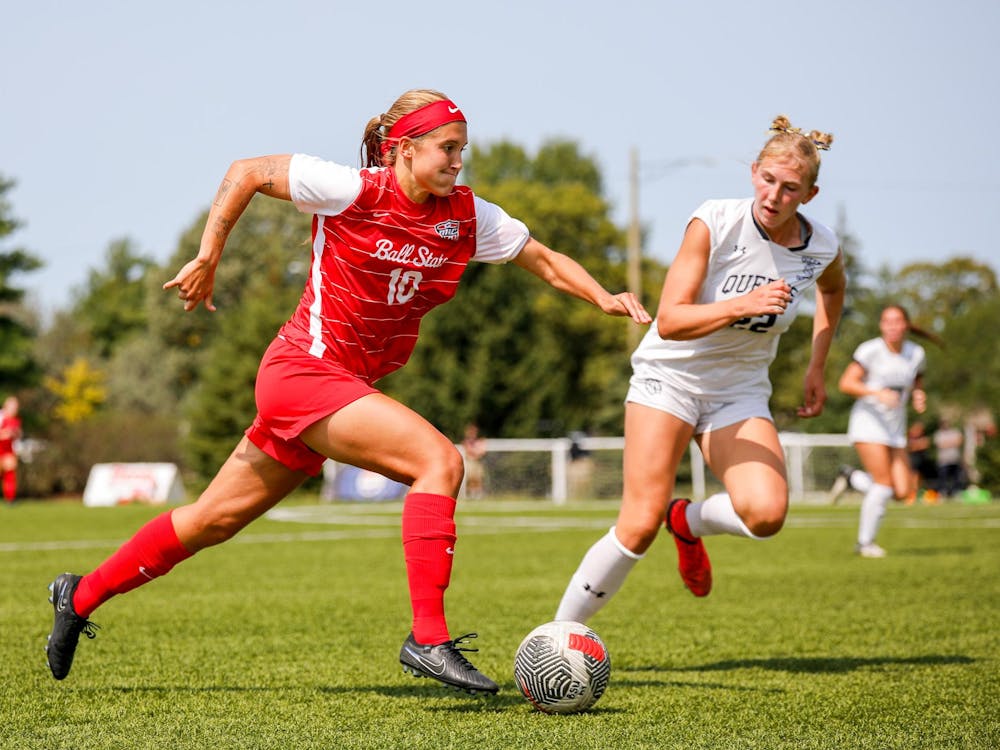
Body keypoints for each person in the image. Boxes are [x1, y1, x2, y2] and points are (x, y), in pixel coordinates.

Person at [44, 89, 651, 693]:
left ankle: (80, 595)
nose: (457, 160)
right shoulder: (354, 189)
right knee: (439, 461)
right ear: (404, 149)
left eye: (462, 149)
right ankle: (429, 638)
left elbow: (541, 258)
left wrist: (600, 295)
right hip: (301, 372)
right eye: (446, 148)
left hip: (335, 387)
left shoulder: (468, 216)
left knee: (210, 520)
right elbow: (247, 172)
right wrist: (208, 255)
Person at [554, 115, 845, 625]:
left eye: (790, 187)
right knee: (639, 524)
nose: (774, 195)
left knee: (766, 515)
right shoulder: (714, 220)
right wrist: (742, 303)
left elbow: (834, 289)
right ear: (754, 172)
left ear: (810, 194)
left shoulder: (821, 246)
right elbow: (670, 320)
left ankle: (686, 520)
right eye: (768, 180)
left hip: (739, 392)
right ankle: (557, 637)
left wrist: (817, 364)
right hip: (668, 382)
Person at [830, 304, 938, 557]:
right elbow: (846, 383)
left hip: (895, 429)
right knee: (883, 485)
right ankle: (865, 543)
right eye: (887, 321)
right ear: (881, 326)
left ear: (906, 325)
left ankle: (851, 478)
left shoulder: (916, 353)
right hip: (868, 424)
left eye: (897, 321)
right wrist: (876, 392)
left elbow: (917, 379)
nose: (892, 326)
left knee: (902, 492)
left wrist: (919, 395)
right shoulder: (870, 350)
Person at [933, 418, 965, 499]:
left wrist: (948, 443)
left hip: (955, 459)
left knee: (956, 477)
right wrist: (952, 442)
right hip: (943, 460)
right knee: (943, 477)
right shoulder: (938, 434)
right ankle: (942, 492)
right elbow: (940, 445)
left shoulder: (955, 431)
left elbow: (959, 442)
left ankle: (956, 492)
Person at [0, 396, 22, 504]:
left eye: (16, 407)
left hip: (8, 450)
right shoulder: (1, 417)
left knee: (10, 475)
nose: (15, 409)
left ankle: (10, 499)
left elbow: (17, 437)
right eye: (13, 406)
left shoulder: (16, 421)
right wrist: (5, 434)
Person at [460, 424, 487, 500]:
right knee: (470, 480)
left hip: (477, 463)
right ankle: (470, 495)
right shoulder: (466, 442)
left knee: (478, 480)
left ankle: (477, 496)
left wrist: (475, 452)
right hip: (469, 463)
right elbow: (468, 451)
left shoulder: (480, 441)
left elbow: (482, 451)